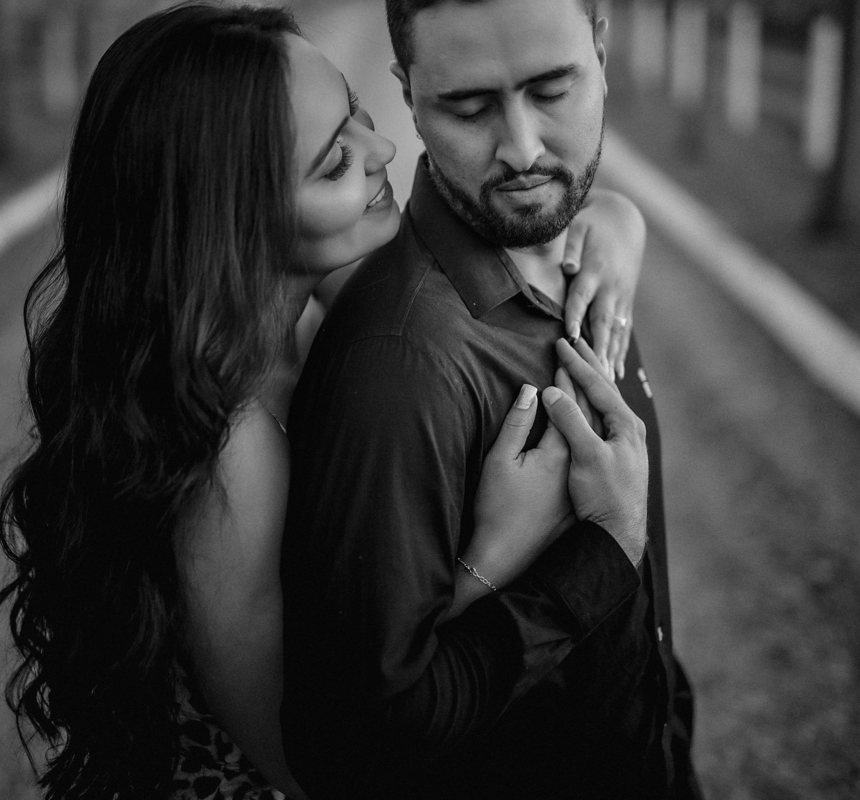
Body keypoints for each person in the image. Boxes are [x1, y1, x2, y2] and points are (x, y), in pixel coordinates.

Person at [0, 3, 649, 799]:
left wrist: (617, 219)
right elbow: (324, 761)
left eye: (358, 114)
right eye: (335, 162)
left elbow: (518, 232)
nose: (382, 152)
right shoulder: (227, 452)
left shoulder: (303, 301)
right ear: (236, 218)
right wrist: (496, 552)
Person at [280, 0, 703, 798]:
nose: (523, 150)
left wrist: (620, 215)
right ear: (408, 95)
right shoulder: (399, 370)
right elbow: (355, 741)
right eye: (469, 108)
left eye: (551, 90)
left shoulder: (578, 246)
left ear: (601, 48)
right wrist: (603, 548)